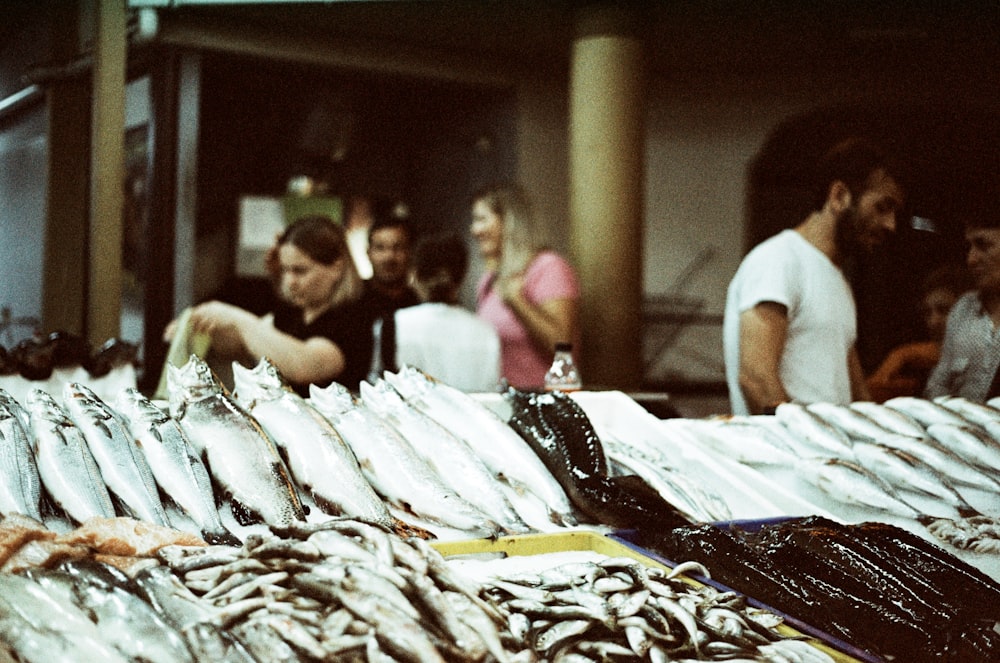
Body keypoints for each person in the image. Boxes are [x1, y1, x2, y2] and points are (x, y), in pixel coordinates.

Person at [723, 137, 905, 415]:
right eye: (882, 207)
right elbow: (756, 380)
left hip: (828, 454)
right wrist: (805, 444)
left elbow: (856, 395)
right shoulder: (778, 259)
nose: (891, 225)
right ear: (839, 196)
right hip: (792, 454)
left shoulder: (837, 279)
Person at [165, 215, 369, 396]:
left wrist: (236, 318)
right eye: (286, 270)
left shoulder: (353, 318)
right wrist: (197, 329)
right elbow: (241, 345)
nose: (290, 281)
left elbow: (303, 366)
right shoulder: (291, 313)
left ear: (336, 267)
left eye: (300, 271)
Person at [471, 182, 580, 389]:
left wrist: (517, 301)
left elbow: (562, 345)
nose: (474, 230)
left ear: (510, 221)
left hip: (544, 403)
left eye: (481, 219)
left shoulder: (549, 267)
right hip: (503, 401)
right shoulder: (489, 280)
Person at [374, 232, 501, 392]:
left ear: (414, 274)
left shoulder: (392, 324)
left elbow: (378, 388)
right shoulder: (487, 331)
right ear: (462, 276)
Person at [924, 204, 1000, 401]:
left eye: (983, 246)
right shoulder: (962, 310)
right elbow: (938, 385)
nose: (971, 259)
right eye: (970, 247)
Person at [866, 265, 970, 402]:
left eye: (944, 310)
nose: (933, 321)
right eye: (927, 313)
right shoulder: (921, 366)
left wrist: (904, 354)